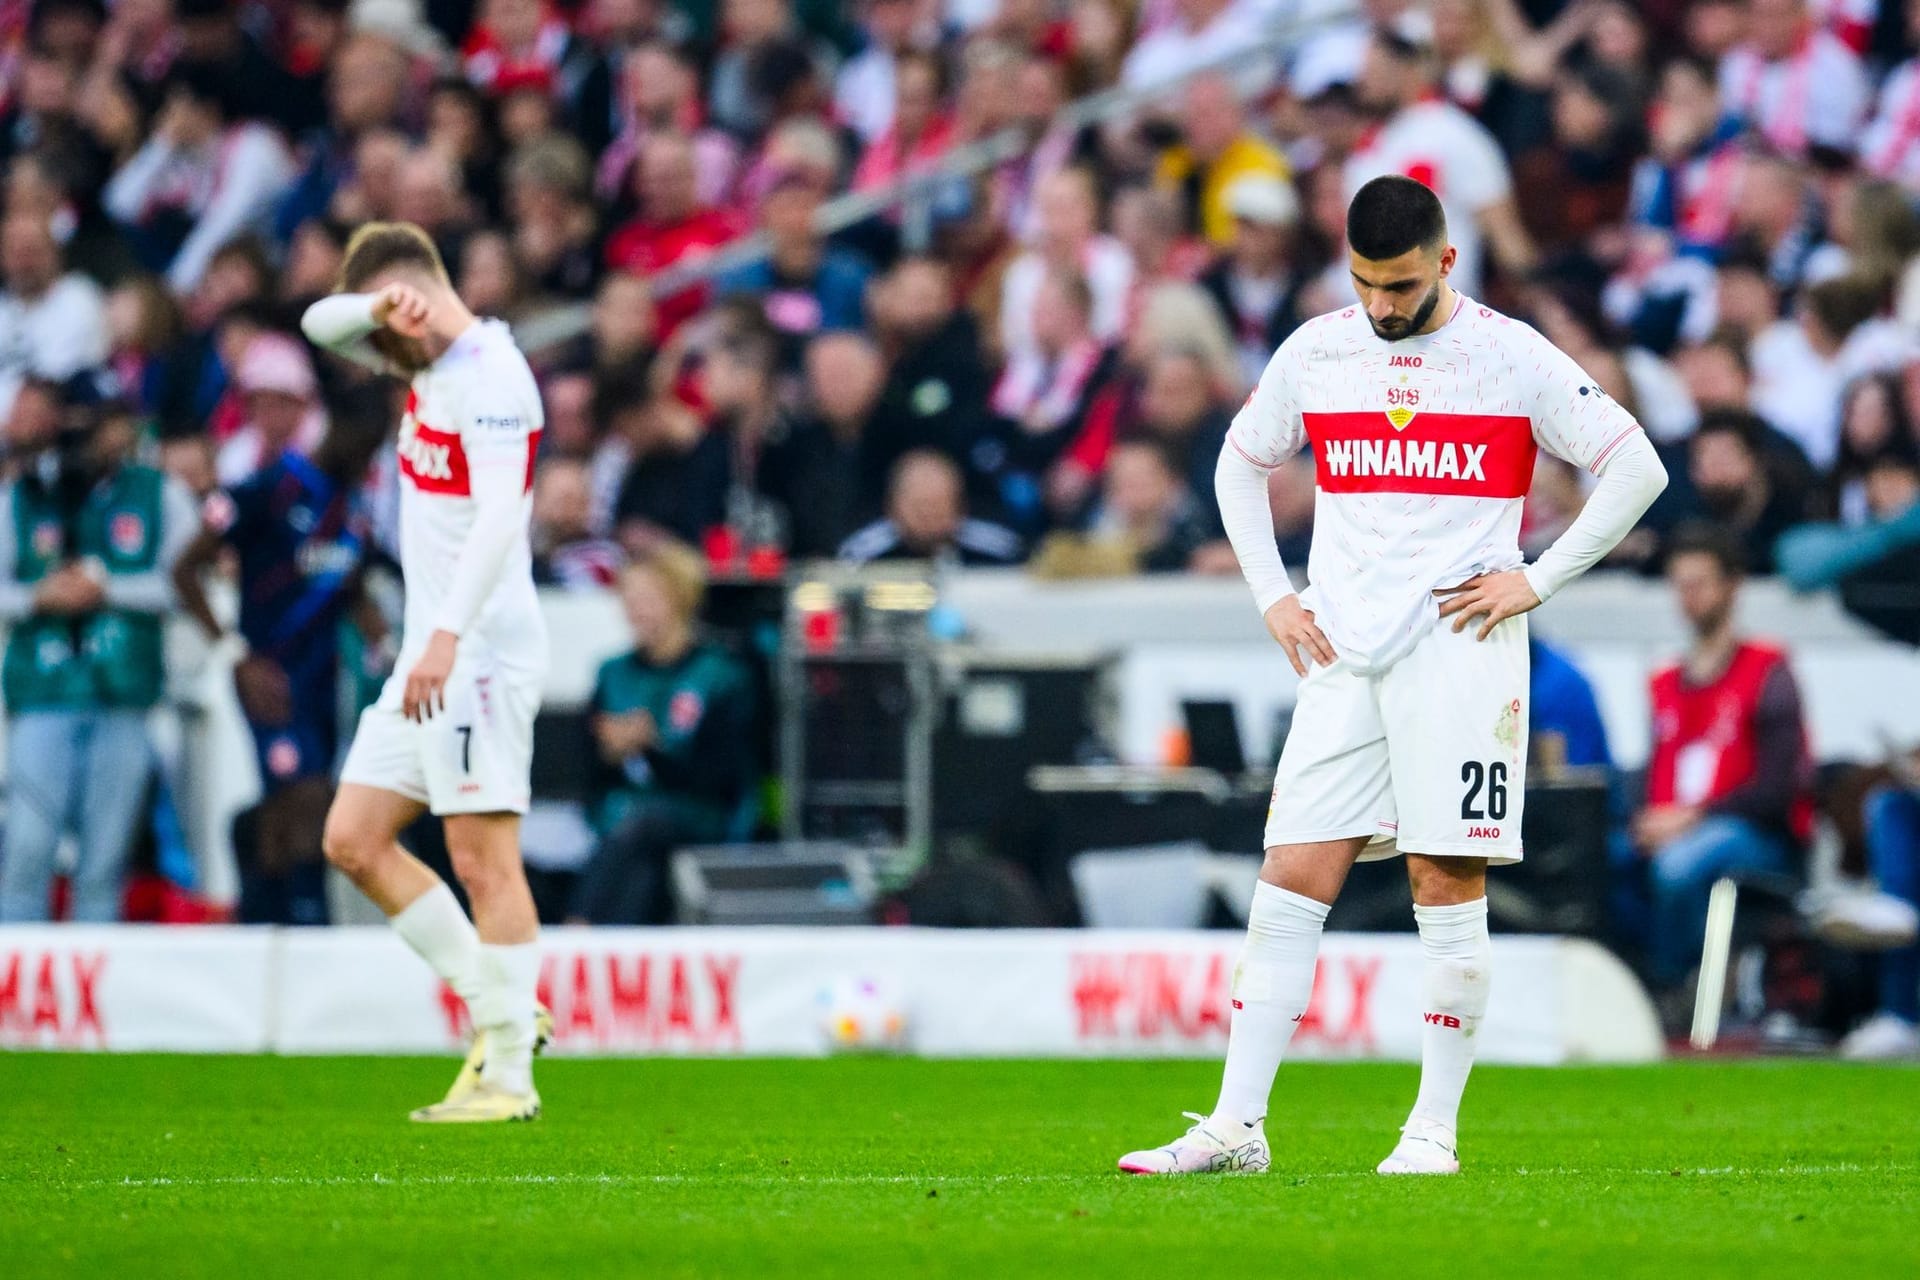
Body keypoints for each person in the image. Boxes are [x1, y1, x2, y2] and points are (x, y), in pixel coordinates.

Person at [1118, 176, 1666, 1178]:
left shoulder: (1508, 354)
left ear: (1447, 261)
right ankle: (1238, 1125)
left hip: (1458, 649)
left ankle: (1433, 1132)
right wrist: (1273, 596)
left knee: (1442, 876)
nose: (1381, 305)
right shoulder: (1318, 349)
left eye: (1401, 284)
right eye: (1366, 281)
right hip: (1341, 649)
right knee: (1289, 876)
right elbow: (1240, 465)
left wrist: (1535, 578)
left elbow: (1637, 468)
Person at [300, 222, 552, 1123]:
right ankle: (504, 1008)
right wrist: (374, 308)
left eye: (380, 334)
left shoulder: (491, 378)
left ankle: (511, 1075)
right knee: (353, 838)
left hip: (474, 651)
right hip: (430, 652)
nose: (369, 352)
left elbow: (500, 520)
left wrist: (444, 637)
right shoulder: (427, 366)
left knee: (484, 860)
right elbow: (315, 324)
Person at [171, 397, 390, 926]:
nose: (368, 458)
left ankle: (261, 912)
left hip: (322, 680)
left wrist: (387, 647)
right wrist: (234, 651)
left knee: (293, 800)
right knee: (307, 798)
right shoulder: (269, 488)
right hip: (268, 676)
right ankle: (307, 917)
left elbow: (347, 585)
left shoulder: (351, 507)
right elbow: (185, 567)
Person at [0, 378, 200, 922]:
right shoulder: (23, 493)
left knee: (104, 860)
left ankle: (95, 993)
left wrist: (108, 588)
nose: (103, 433)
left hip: (125, 690)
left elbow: (189, 585)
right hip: (43, 688)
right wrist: (37, 597)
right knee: (27, 848)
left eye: (114, 419)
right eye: (93, 419)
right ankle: (15, 987)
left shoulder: (161, 492)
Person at [1629, 525, 1812, 1000]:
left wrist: (1689, 819)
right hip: (1677, 824)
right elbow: (1655, 770)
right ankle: (1633, 982)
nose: (1687, 597)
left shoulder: (1767, 670)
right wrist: (1647, 819)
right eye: (1679, 584)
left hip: (1754, 834)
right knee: (1598, 859)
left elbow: (1776, 791)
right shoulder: (1666, 680)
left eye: (1699, 583)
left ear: (1733, 586)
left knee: (1678, 866)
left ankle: (1675, 985)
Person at [569, 546, 757, 925]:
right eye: (630, 599)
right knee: (642, 864)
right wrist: (608, 752)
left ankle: (579, 924)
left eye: (649, 598)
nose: (638, 609)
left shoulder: (720, 674)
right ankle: (613, 952)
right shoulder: (612, 672)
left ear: (680, 599)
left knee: (644, 823)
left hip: (699, 813)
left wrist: (650, 749)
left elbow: (723, 776)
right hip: (620, 822)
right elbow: (586, 772)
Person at [839, 449, 1024, 566]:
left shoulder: (999, 550)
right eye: (920, 507)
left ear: (960, 507)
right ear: (893, 507)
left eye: (939, 506)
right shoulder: (861, 554)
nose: (929, 516)